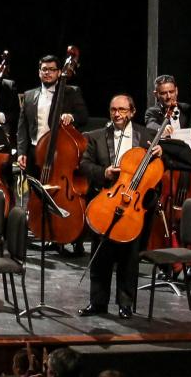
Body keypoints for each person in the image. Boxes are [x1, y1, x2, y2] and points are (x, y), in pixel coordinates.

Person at [80, 93, 158, 319]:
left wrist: (160, 154)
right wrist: (103, 172)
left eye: (122, 110)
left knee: (128, 258)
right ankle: (97, 303)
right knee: (100, 256)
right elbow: (84, 165)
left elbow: (162, 167)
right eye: (114, 110)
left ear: (132, 112)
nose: (117, 114)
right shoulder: (95, 136)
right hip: (105, 201)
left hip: (132, 205)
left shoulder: (147, 136)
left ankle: (126, 304)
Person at [14, 53, 89, 169]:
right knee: (33, 186)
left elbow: (84, 116)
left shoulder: (71, 92)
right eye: (44, 69)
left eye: (52, 69)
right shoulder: (28, 95)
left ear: (59, 72)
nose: (47, 72)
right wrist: (21, 152)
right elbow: (22, 127)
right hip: (34, 152)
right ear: (39, 72)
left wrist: (71, 116)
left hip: (60, 152)